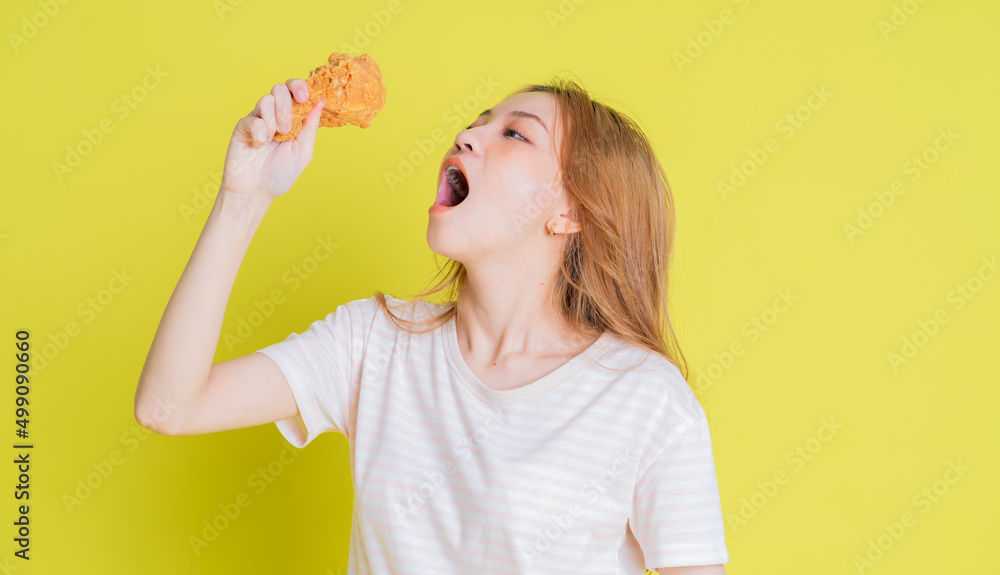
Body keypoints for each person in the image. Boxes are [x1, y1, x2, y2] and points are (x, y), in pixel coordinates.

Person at [134, 75, 729, 574]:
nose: (467, 135)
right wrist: (244, 197)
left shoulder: (644, 399)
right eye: (477, 121)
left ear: (570, 211)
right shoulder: (375, 342)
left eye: (515, 133)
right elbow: (167, 407)